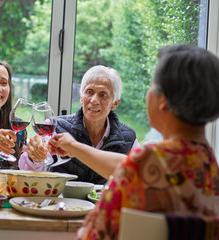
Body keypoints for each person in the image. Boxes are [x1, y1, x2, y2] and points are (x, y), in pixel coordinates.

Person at [49, 44, 219, 239]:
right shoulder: (208, 166)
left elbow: (92, 234)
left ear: (164, 100)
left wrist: (73, 147)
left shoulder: (148, 163)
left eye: (152, 85)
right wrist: (74, 147)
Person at [19, 65, 138, 184]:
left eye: (103, 95)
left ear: (115, 103)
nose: (94, 100)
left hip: (104, 202)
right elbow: (26, 170)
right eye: (89, 92)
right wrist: (34, 157)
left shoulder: (128, 138)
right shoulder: (55, 126)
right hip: (60, 201)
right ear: (81, 97)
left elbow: (137, 178)